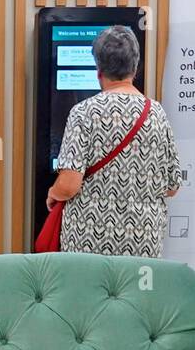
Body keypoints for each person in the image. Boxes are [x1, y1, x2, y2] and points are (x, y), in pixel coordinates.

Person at [45, 25, 183, 257]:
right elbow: (172, 187)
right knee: (138, 294)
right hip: (143, 244)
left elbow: (69, 185)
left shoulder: (84, 112)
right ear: (135, 68)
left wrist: (53, 192)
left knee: (87, 294)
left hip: (88, 244)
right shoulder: (156, 113)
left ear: (98, 69)